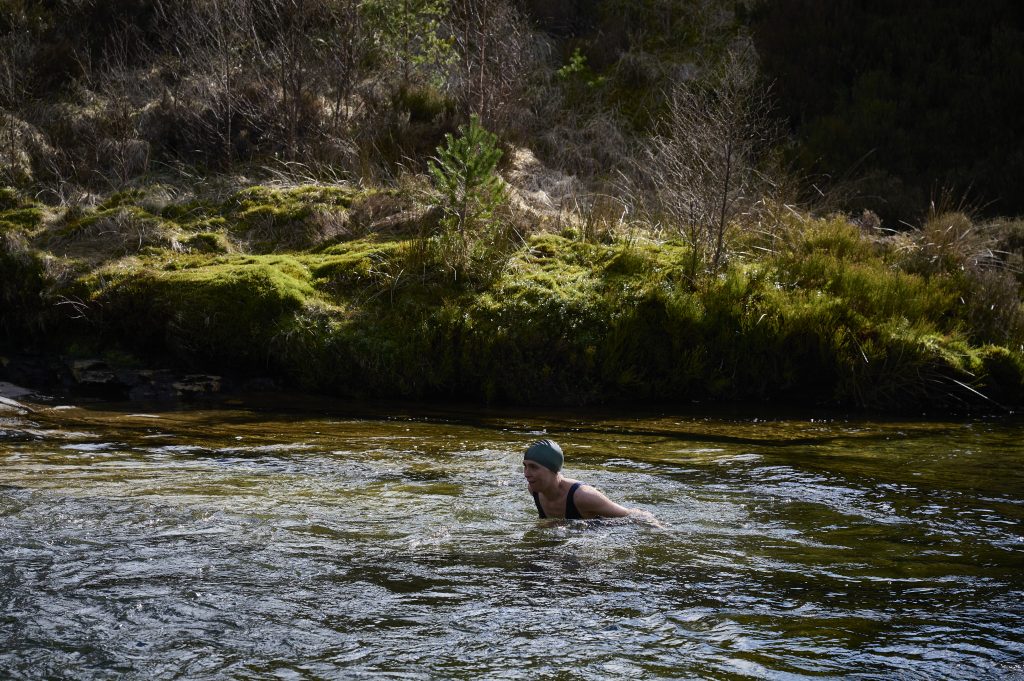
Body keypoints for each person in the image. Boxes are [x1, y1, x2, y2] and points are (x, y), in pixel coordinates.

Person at [523, 439, 655, 521]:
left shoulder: (583, 496)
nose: (526, 474)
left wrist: (660, 529)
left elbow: (633, 515)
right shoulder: (535, 490)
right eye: (525, 466)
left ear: (552, 469)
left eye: (534, 467)